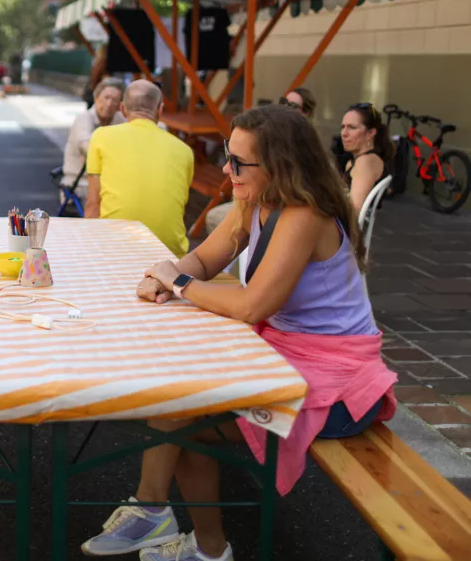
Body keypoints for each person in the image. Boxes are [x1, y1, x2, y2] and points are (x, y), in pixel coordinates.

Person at [80, 104, 396, 561]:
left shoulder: (304, 215)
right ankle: (156, 514)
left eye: (238, 162)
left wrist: (177, 281)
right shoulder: (257, 200)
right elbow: (205, 259)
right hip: (289, 352)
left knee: (188, 419)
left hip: (340, 386)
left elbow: (252, 306)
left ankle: (194, 539)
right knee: (176, 393)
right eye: (229, 155)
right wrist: (167, 276)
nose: (227, 169)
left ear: (280, 166)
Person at [85, 80, 194, 257]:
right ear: (160, 110)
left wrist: (90, 251)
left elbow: (93, 203)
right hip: (169, 253)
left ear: (122, 109)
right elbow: (179, 205)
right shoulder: (185, 151)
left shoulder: (101, 137)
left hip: (115, 247)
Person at [205, 88, 319, 236]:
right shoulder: (270, 135)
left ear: (307, 112)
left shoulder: (303, 149)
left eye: (293, 105)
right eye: (283, 102)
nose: (285, 107)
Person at [61, 77, 126, 208]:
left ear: (120, 105)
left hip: (109, 184)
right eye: (106, 98)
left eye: (114, 100)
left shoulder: (120, 120)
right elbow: (87, 148)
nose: (109, 104)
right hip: (80, 184)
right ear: (96, 98)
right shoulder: (84, 119)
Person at [340, 102, 394, 214]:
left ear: (370, 133)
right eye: (343, 127)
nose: (344, 133)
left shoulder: (365, 162)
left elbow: (354, 211)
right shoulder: (354, 162)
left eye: (352, 127)